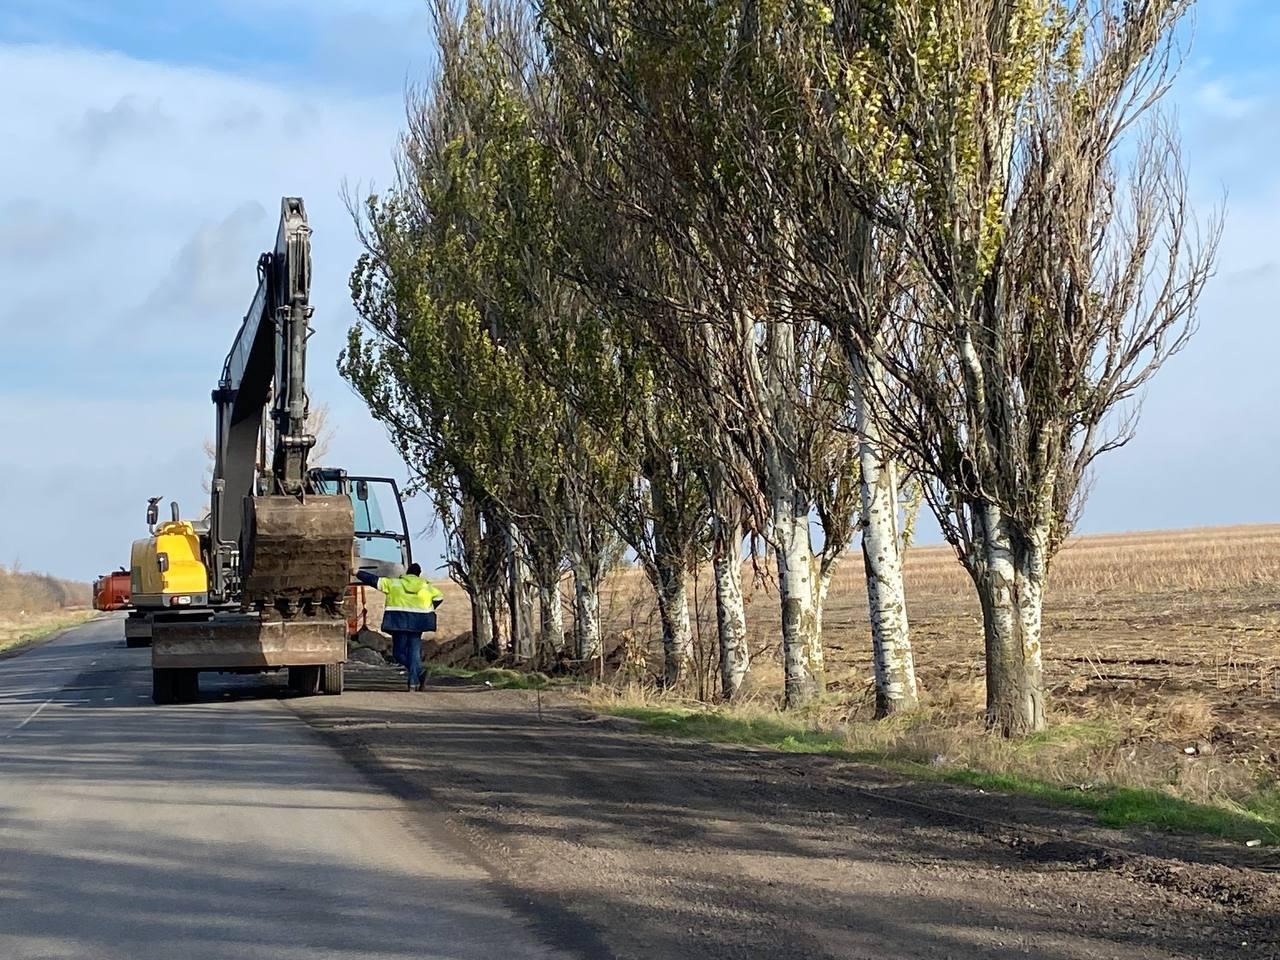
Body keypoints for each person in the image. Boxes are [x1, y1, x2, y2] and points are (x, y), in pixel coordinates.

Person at [355, 562, 444, 691]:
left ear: (407, 573)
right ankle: (415, 678)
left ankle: (417, 675)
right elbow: (439, 597)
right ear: (418, 574)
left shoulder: (395, 583)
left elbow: (374, 580)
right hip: (418, 622)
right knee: (414, 651)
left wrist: (358, 573)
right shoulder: (427, 587)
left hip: (399, 621)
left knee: (398, 653)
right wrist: (429, 608)